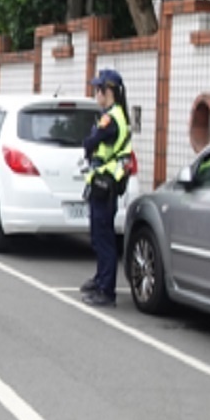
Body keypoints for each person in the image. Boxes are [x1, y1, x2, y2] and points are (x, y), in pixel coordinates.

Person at [81, 68, 132, 308]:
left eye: (98, 89)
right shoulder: (112, 114)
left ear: (107, 91)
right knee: (98, 235)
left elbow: (91, 142)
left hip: (106, 183)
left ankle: (106, 290)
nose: (96, 93)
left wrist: (90, 143)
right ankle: (101, 279)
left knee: (104, 238)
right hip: (101, 183)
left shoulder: (111, 118)